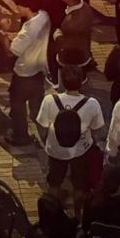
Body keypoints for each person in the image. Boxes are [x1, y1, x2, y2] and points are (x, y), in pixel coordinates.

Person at [37, 68, 105, 209]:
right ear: (82, 82)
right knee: (79, 183)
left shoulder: (49, 100)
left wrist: (46, 141)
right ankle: (78, 211)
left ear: (62, 81)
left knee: (54, 181)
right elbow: (97, 130)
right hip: (81, 150)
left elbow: (42, 127)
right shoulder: (92, 103)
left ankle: (53, 210)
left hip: (55, 149)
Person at [8, 0, 52, 146]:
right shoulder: (44, 16)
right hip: (39, 67)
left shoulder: (28, 29)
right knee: (36, 103)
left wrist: (0, 37)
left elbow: (12, 50)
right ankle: (44, 130)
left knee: (18, 104)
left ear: (27, 7)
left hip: (24, 71)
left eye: (18, 7)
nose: (17, 10)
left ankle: (20, 135)